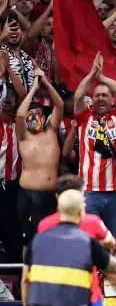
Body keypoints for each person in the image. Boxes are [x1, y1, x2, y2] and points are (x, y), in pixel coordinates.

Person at [73, 53, 116, 237]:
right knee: (90, 238)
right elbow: (77, 96)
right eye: (97, 95)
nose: (100, 98)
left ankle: (111, 267)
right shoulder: (85, 118)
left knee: (114, 238)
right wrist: (91, 75)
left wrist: (102, 77)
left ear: (112, 100)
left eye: (105, 95)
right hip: (90, 191)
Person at [15, 68, 62, 245]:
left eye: (38, 114)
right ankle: (28, 273)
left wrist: (46, 84)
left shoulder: (51, 130)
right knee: (31, 241)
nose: (34, 118)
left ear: (44, 117)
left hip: (52, 194)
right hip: (29, 194)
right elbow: (20, 114)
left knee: (52, 239)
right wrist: (34, 87)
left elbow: (60, 105)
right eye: (31, 115)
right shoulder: (23, 136)